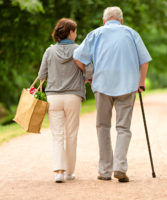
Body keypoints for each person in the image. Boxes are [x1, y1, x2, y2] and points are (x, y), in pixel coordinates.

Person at [73, 6, 151, 183]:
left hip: (102, 84)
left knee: (103, 126)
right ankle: (120, 167)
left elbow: (78, 57)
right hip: (127, 85)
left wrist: (89, 75)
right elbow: (145, 61)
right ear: (121, 20)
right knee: (123, 128)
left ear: (104, 20)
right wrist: (141, 82)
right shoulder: (132, 33)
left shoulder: (95, 34)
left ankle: (105, 170)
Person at [38, 18, 92, 183]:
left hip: (53, 97)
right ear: (70, 32)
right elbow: (89, 71)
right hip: (73, 97)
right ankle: (69, 172)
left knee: (57, 135)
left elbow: (41, 75)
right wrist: (84, 79)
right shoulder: (79, 50)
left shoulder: (49, 51)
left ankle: (59, 172)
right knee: (72, 134)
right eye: (75, 31)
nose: (76, 34)